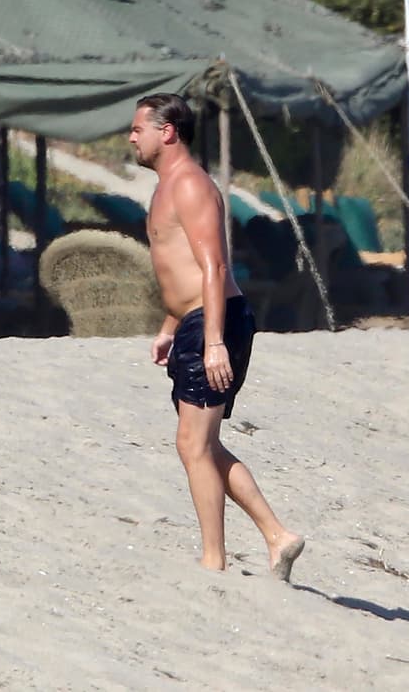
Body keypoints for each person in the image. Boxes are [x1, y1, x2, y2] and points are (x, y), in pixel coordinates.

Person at [129, 93, 304, 580]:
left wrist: (211, 341)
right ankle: (277, 536)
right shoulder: (167, 187)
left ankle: (214, 561)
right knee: (200, 444)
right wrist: (170, 328)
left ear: (167, 132)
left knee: (193, 444)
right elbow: (178, 270)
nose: (131, 136)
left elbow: (213, 266)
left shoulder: (189, 186)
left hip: (216, 320)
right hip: (196, 322)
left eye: (138, 128)